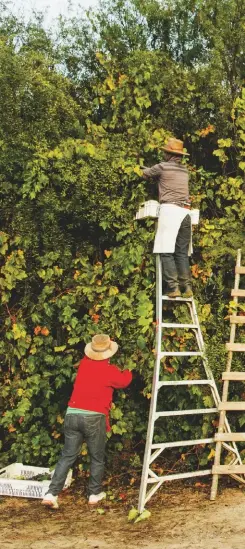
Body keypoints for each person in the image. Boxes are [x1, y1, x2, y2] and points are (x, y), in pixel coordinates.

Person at [42, 334, 132, 509]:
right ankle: (94, 494)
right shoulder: (109, 370)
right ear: (109, 353)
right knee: (96, 457)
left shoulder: (83, 365)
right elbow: (124, 380)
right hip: (93, 416)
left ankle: (51, 494)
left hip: (72, 414)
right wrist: (129, 369)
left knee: (67, 456)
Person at [142, 137, 193, 298]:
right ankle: (187, 287)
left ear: (169, 154)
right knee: (181, 252)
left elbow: (146, 174)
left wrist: (144, 169)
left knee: (165, 250)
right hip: (186, 212)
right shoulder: (184, 170)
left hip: (170, 210)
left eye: (165, 152)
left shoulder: (162, 167)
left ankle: (173, 288)